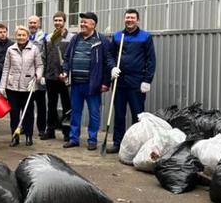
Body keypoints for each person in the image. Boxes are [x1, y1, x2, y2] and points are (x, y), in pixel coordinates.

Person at [61, 12, 114, 150]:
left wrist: (106, 82)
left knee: (94, 113)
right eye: (82, 22)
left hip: (93, 85)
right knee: (75, 113)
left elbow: (108, 62)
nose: (82, 24)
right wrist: (65, 71)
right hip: (76, 84)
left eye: (85, 22)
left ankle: (92, 139)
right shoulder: (75, 39)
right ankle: (74, 139)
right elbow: (67, 58)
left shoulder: (101, 40)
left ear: (93, 24)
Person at [107, 9, 157, 154]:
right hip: (119, 82)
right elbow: (110, 55)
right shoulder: (117, 36)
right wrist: (112, 68)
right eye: (127, 18)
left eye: (132, 18)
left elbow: (151, 60)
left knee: (138, 115)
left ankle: (137, 145)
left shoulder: (145, 37)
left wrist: (147, 80)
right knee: (119, 114)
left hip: (136, 82)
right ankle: (118, 143)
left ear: (138, 20)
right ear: (124, 19)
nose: (129, 20)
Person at [0, 26, 43, 147]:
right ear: (15, 36)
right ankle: (15, 137)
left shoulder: (34, 49)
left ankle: (29, 136)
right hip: (12, 87)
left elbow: (39, 65)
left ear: (27, 36)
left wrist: (37, 77)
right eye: (19, 35)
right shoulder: (10, 49)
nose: (21, 37)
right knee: (14, 113)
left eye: (23, 35)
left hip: (28, 86)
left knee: (28, 113)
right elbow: (6, 68)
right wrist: (2, 86)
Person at [42, 11, 74, 141]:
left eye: (60, 20)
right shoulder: (48, 38)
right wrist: (44, 74)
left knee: (67, 105)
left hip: (65, 77)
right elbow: (44, 56)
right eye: (56, 20)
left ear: (64, 22)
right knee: (51, 104)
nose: (58, 23)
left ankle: (67, 132)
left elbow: (72, 57)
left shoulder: (71, 38)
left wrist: (68, 73)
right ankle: (50, 130)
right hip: (51, 76)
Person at [27, 15, 48, 138]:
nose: (32, 25)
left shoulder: (44, 37)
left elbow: (46, 56)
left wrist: (44, 74)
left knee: (41, 104)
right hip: (27, 76)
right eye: (30, 22)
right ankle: (25, 126)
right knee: (26, 103)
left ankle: (41, 128)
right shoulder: (24, 36)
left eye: (35, 23)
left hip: (40, 76)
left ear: (39, 24)